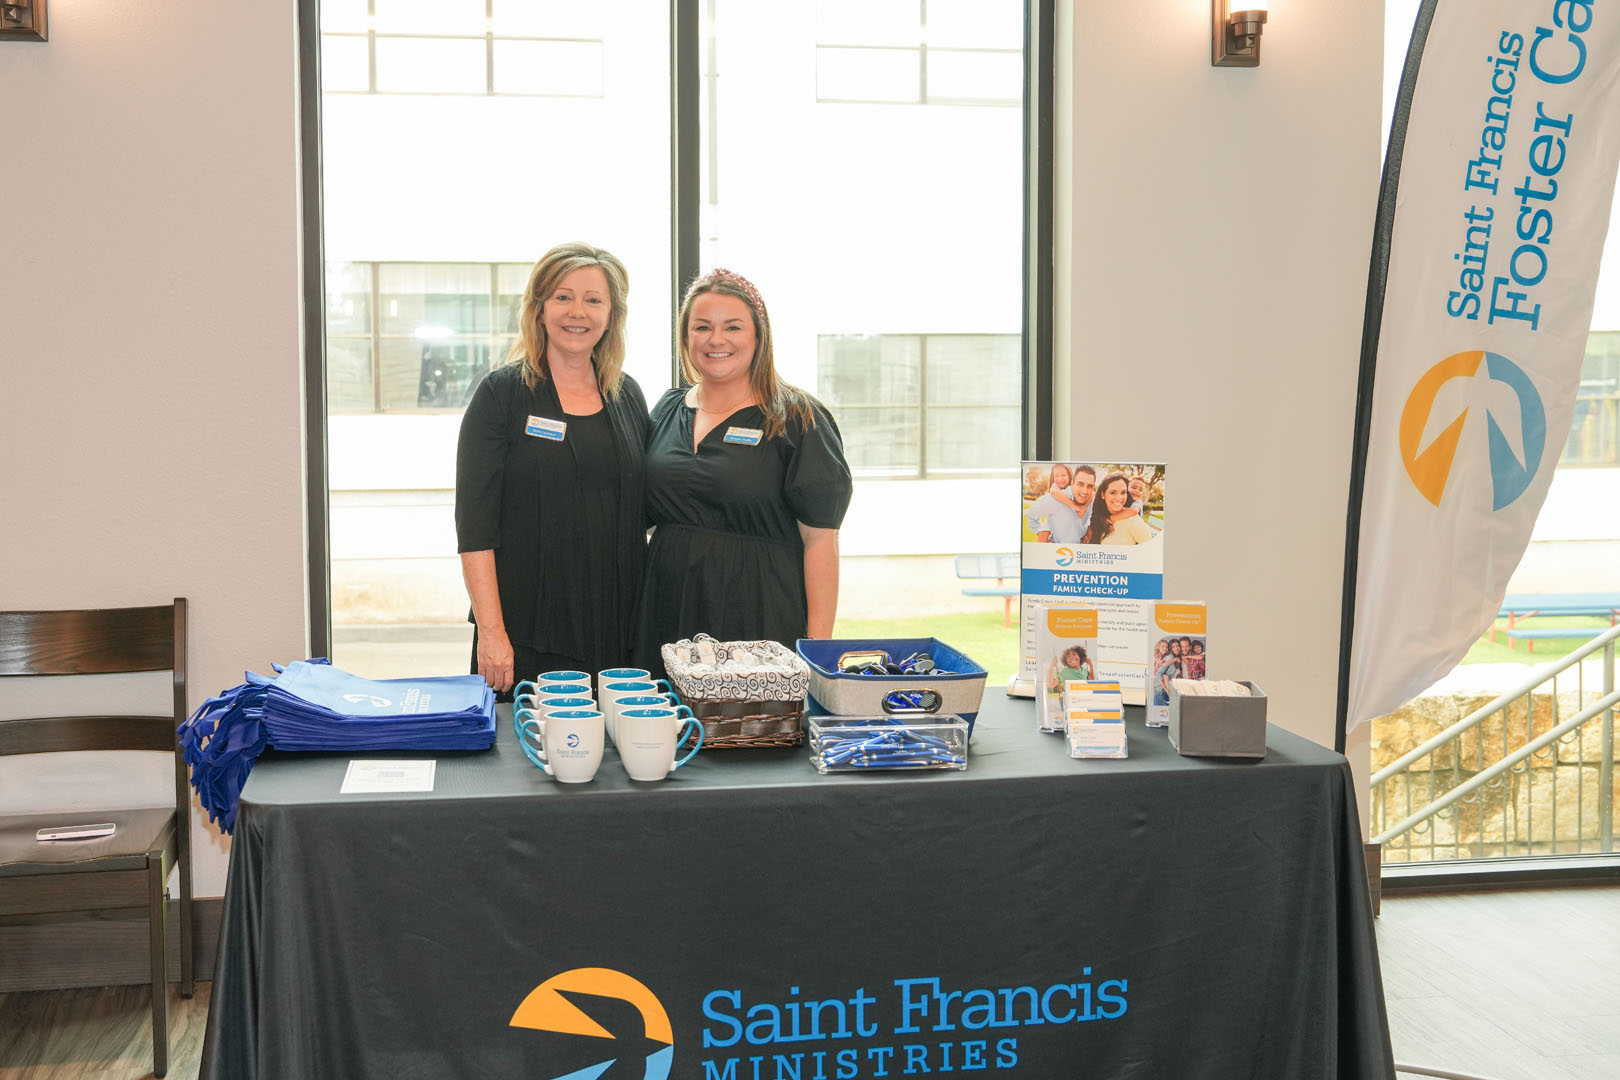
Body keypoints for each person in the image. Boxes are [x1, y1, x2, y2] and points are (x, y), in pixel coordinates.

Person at [454, 242, 649, 697]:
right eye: (563, 297)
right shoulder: (501, 396)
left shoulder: (628, 397)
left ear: (611, 315)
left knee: (617, 762)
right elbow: (475, 529)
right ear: (539, 308)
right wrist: (492, 634)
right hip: (525, 634)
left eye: (593, 299)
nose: (576, 311)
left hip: (616, 629)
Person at [638, 268, 853, 666]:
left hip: (759, 614)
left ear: (759, 335)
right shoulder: (667, 410)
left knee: (749, 727)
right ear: (686, 337)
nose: (716, 339)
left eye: (732, 327)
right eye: (702, 327)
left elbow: (821, 542)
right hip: (667, 612)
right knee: (664, 727)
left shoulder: (796, 418)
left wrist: (817, 652)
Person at [1024, 464, 1094, 543]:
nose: (1060, 479)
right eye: (1056, 476)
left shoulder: (1088, 495)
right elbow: (1031, 515)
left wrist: (1087, 533)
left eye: (1063, 475)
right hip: (1060, 549)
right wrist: (1041, 533)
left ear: (1070, 476)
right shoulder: (1054, 495)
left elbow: (1093, 495)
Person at [1083, 472, 1154, 546]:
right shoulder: (1097, 518)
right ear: (1103, 495)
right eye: (1113, 492)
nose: (1119, 498)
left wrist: (1109, 519)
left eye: (1123, 493)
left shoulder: (1132, 520)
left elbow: (1151, 549)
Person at [1153, 638, 1179, 706]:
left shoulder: (1165, 657)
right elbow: (1158, 673)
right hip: (1161, 690)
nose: (1165, 648)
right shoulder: (1169, 658)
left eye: (1166, 647)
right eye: (1162, 646)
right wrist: (1167, 690)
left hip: (1165, 689)